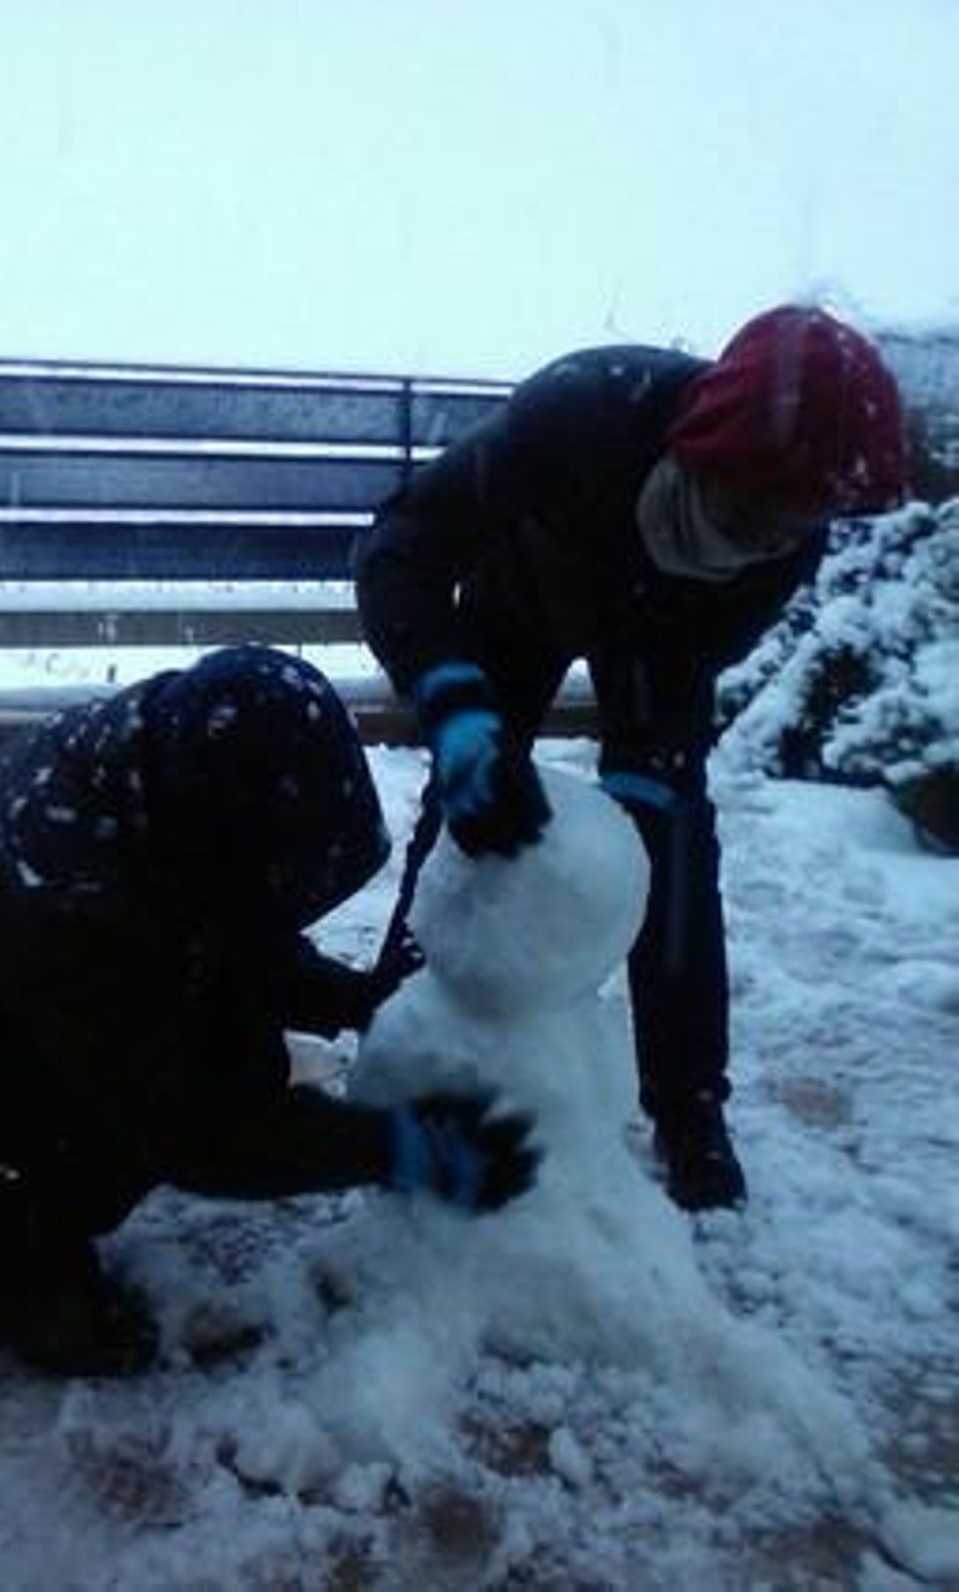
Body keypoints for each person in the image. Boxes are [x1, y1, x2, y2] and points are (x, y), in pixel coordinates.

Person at [0, 646, 539, 1376]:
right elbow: (188, 1129)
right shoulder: (75, 888)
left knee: (237, 1049)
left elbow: (231, 930)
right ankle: (5, 1251)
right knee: (124, 1127)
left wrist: (347, 998)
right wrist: (398, 1150)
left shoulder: (173, 772)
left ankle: (14, 1186)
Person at [355, 305, 906, 1213]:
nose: (772, 538)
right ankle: (406, 1027)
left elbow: (691, 670)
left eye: (794, 523)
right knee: (469, 812)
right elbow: (400, 547)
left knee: (673, 846)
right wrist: (453, 703)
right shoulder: (578, 415)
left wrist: (641, 785)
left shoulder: (788, 533)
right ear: (710, 448)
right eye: (752, 511)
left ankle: (690, 1107)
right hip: (525, 591)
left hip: (660, 634)